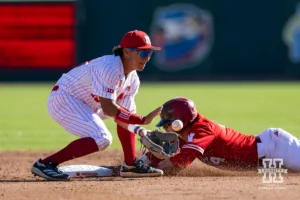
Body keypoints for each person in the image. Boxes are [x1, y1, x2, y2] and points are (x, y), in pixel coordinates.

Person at [31, 30, 164, 181]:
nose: (146, 58)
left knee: (126, 118)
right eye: (142, 53)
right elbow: (109, 109)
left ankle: (131, 164)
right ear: (127, 52)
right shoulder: (110, 67)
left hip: (88, 104)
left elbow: (124, 117)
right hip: (64, 99)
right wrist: (141, 120)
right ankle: (46, 164)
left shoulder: (133, 80)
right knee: (102, 138)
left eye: (149, 53)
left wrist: (140, 130)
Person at [139, 97, 300, 172]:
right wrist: (141, 163)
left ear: (179, 122)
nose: (166, 130)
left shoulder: (202, 131)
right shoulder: (188, 135)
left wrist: (152, 169)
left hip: (277, 147)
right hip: (267, 161)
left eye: (167, 125)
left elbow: (181, 161)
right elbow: (166, 151)